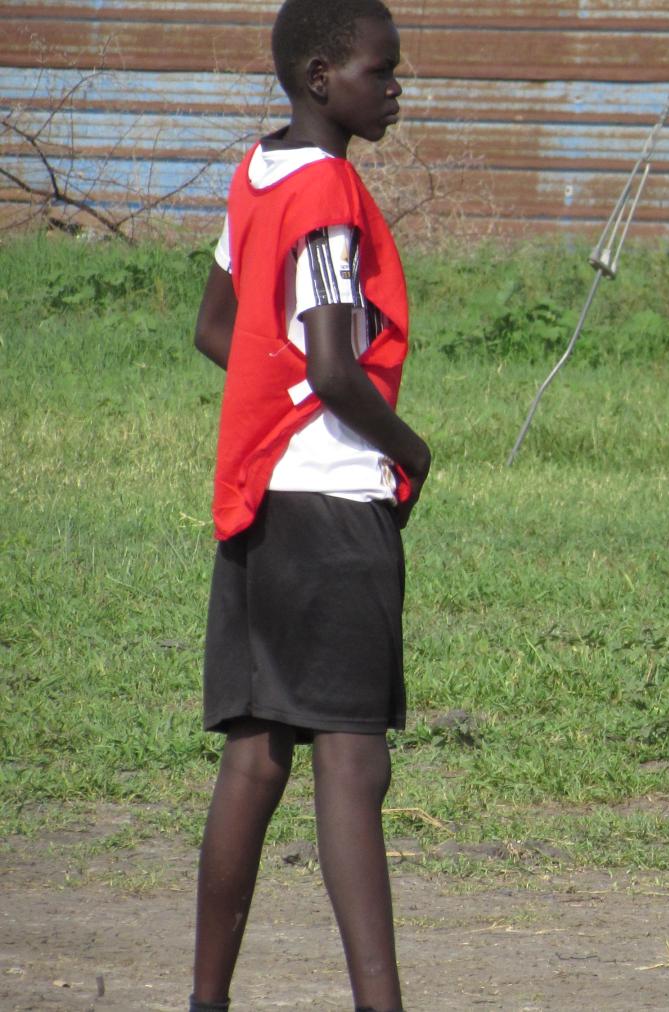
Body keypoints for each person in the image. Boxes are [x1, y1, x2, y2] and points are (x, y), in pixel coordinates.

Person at [186, 2, 426, 1010]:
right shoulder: (327, 191)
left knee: (255, 758)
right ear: (322, 76)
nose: (398, 89)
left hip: (261, 508)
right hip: (332, 514)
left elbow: (215, 327)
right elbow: (334, 364)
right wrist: (413, 451)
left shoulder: (258, 171)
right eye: (383, 73)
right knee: (352, 766)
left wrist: (271, 390)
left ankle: (205, 1000)